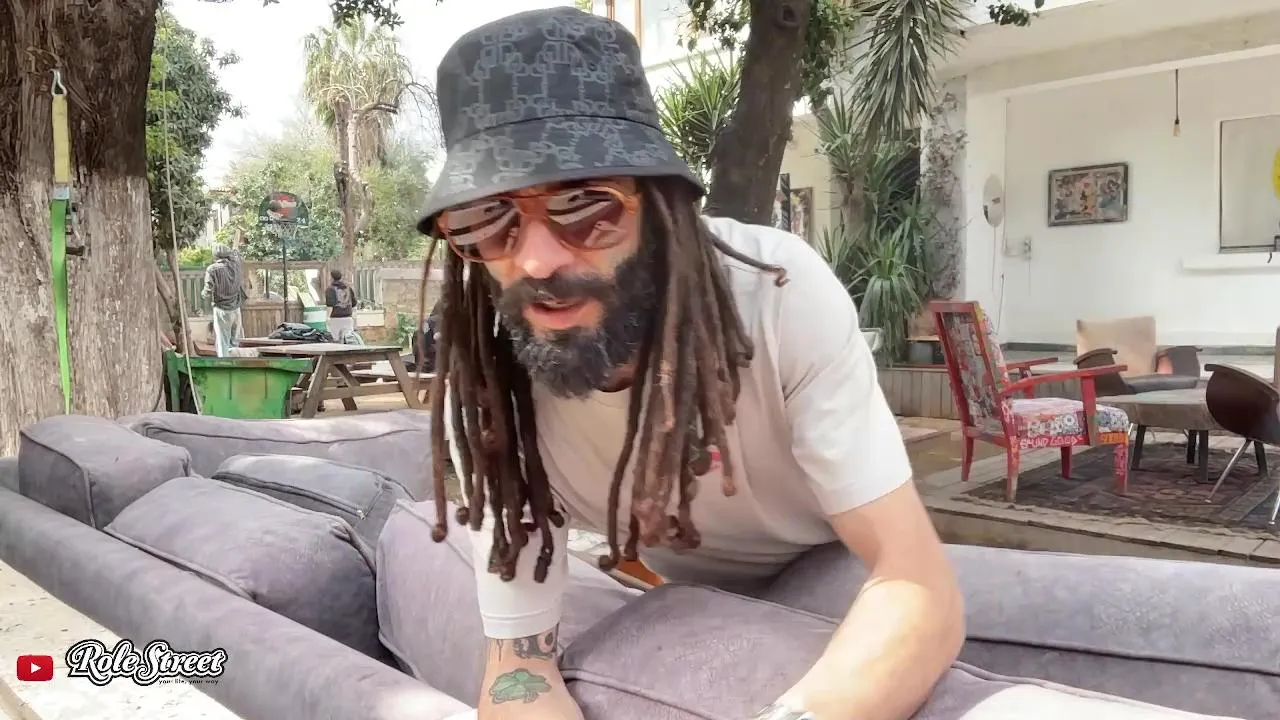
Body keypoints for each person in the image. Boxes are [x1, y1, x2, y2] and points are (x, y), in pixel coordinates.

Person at [417, 8, 963, 720]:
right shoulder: (490, 388)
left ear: (662, 207)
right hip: (683, 598)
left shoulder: (778, 295)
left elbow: (914, 579)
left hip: (842, 567)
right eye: (487, 222)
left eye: (586, 208)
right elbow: (519, 665)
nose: (536, 260)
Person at [200, 244, 246, 357]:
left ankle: (224, 364)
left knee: (222, 341)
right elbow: (236, 255)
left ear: (215, 255)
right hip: (236, 308)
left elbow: (207, 291)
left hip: (222, 310)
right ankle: (235, 363)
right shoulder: (236, 266)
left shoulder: (212, 269)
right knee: (234, 341)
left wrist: (203, 294)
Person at [325, 269, 358, 343]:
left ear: (331, 277)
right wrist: (354, 316)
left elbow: (330, 305)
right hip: (348, 317)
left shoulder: (330, 289)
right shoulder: (348, 288)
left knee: (336, 339)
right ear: (341, 277)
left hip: (335, 317)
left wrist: (327, 318)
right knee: (348, 339)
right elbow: (354, 303)